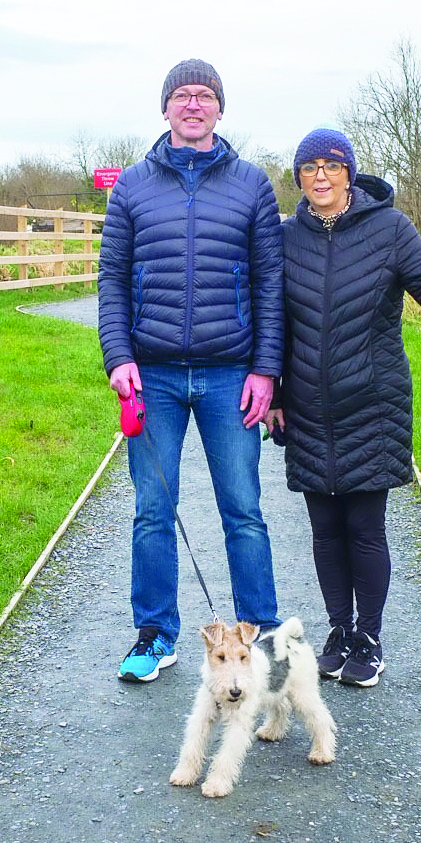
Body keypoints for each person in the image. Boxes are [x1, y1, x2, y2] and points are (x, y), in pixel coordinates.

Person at [266, 130, 421, 687]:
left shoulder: (389, 229)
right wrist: (278, 394)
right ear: (299, 179)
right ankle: (339, 631)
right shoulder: (285, 239)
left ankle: (369, 637)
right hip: (308, 405)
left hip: (371, 404)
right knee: (324, 528)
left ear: (350, 172)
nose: (321, 176)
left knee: (364, 526)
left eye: (331, 165)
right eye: (309, 168)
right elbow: (273, 324)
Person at [97, 58, 284, 682]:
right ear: (167, 108)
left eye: (205, 95)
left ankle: (262, 635)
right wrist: (119, 357)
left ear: (220, 109)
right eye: (183, 95)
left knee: (244, 508)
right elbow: (112, 282)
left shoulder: (252, 185)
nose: (194, 104)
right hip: (154, 376)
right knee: (153, 509)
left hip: (232, 373)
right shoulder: (131, 187)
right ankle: (155, 634)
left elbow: (269, 283)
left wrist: (266, 369)